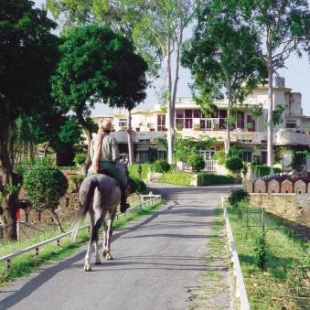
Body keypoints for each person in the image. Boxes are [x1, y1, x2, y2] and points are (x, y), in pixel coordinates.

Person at [88, 118, 130, 213]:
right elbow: (115, 157)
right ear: (110, 130)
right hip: (109, 166)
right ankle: (123, 205)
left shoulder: (94, 140)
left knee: (86, 180)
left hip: (94, 167)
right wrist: (114, 162)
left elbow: (92, 156)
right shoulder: (112, 139)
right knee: (122, 182)